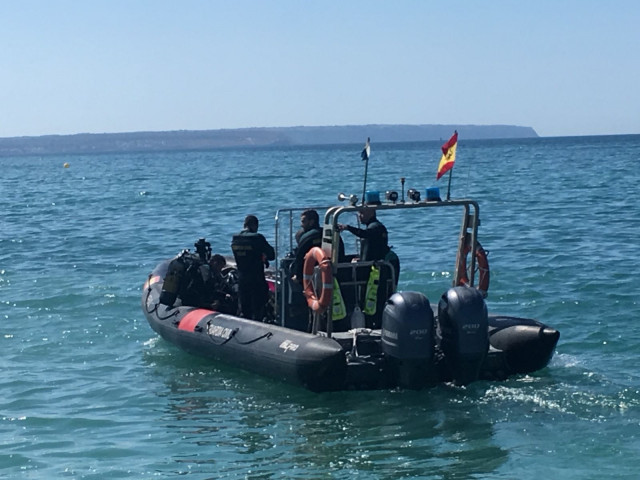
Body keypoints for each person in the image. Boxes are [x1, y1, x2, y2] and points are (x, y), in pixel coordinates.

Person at [231, 215, 275, 320]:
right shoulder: (257, 238)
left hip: (242, 278)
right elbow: (272, 255)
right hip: (256, 278)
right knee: (258, 309)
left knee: (245, 309)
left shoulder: (235, 238)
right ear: (254, 225)